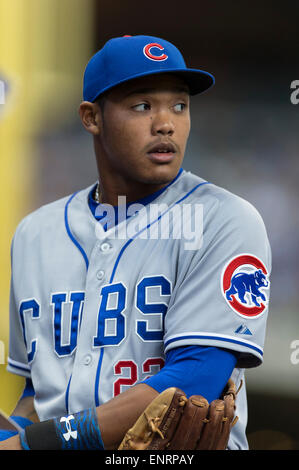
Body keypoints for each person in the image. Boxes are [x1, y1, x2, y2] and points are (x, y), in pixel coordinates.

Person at [0, 35, 271, 450]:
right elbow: (40, 392)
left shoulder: (225, 220)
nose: (166, 123)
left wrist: (34, 445)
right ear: (91, 118)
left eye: (179, 105)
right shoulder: (35, 234)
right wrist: (12, 432)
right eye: (142, 105)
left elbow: (194, 379)